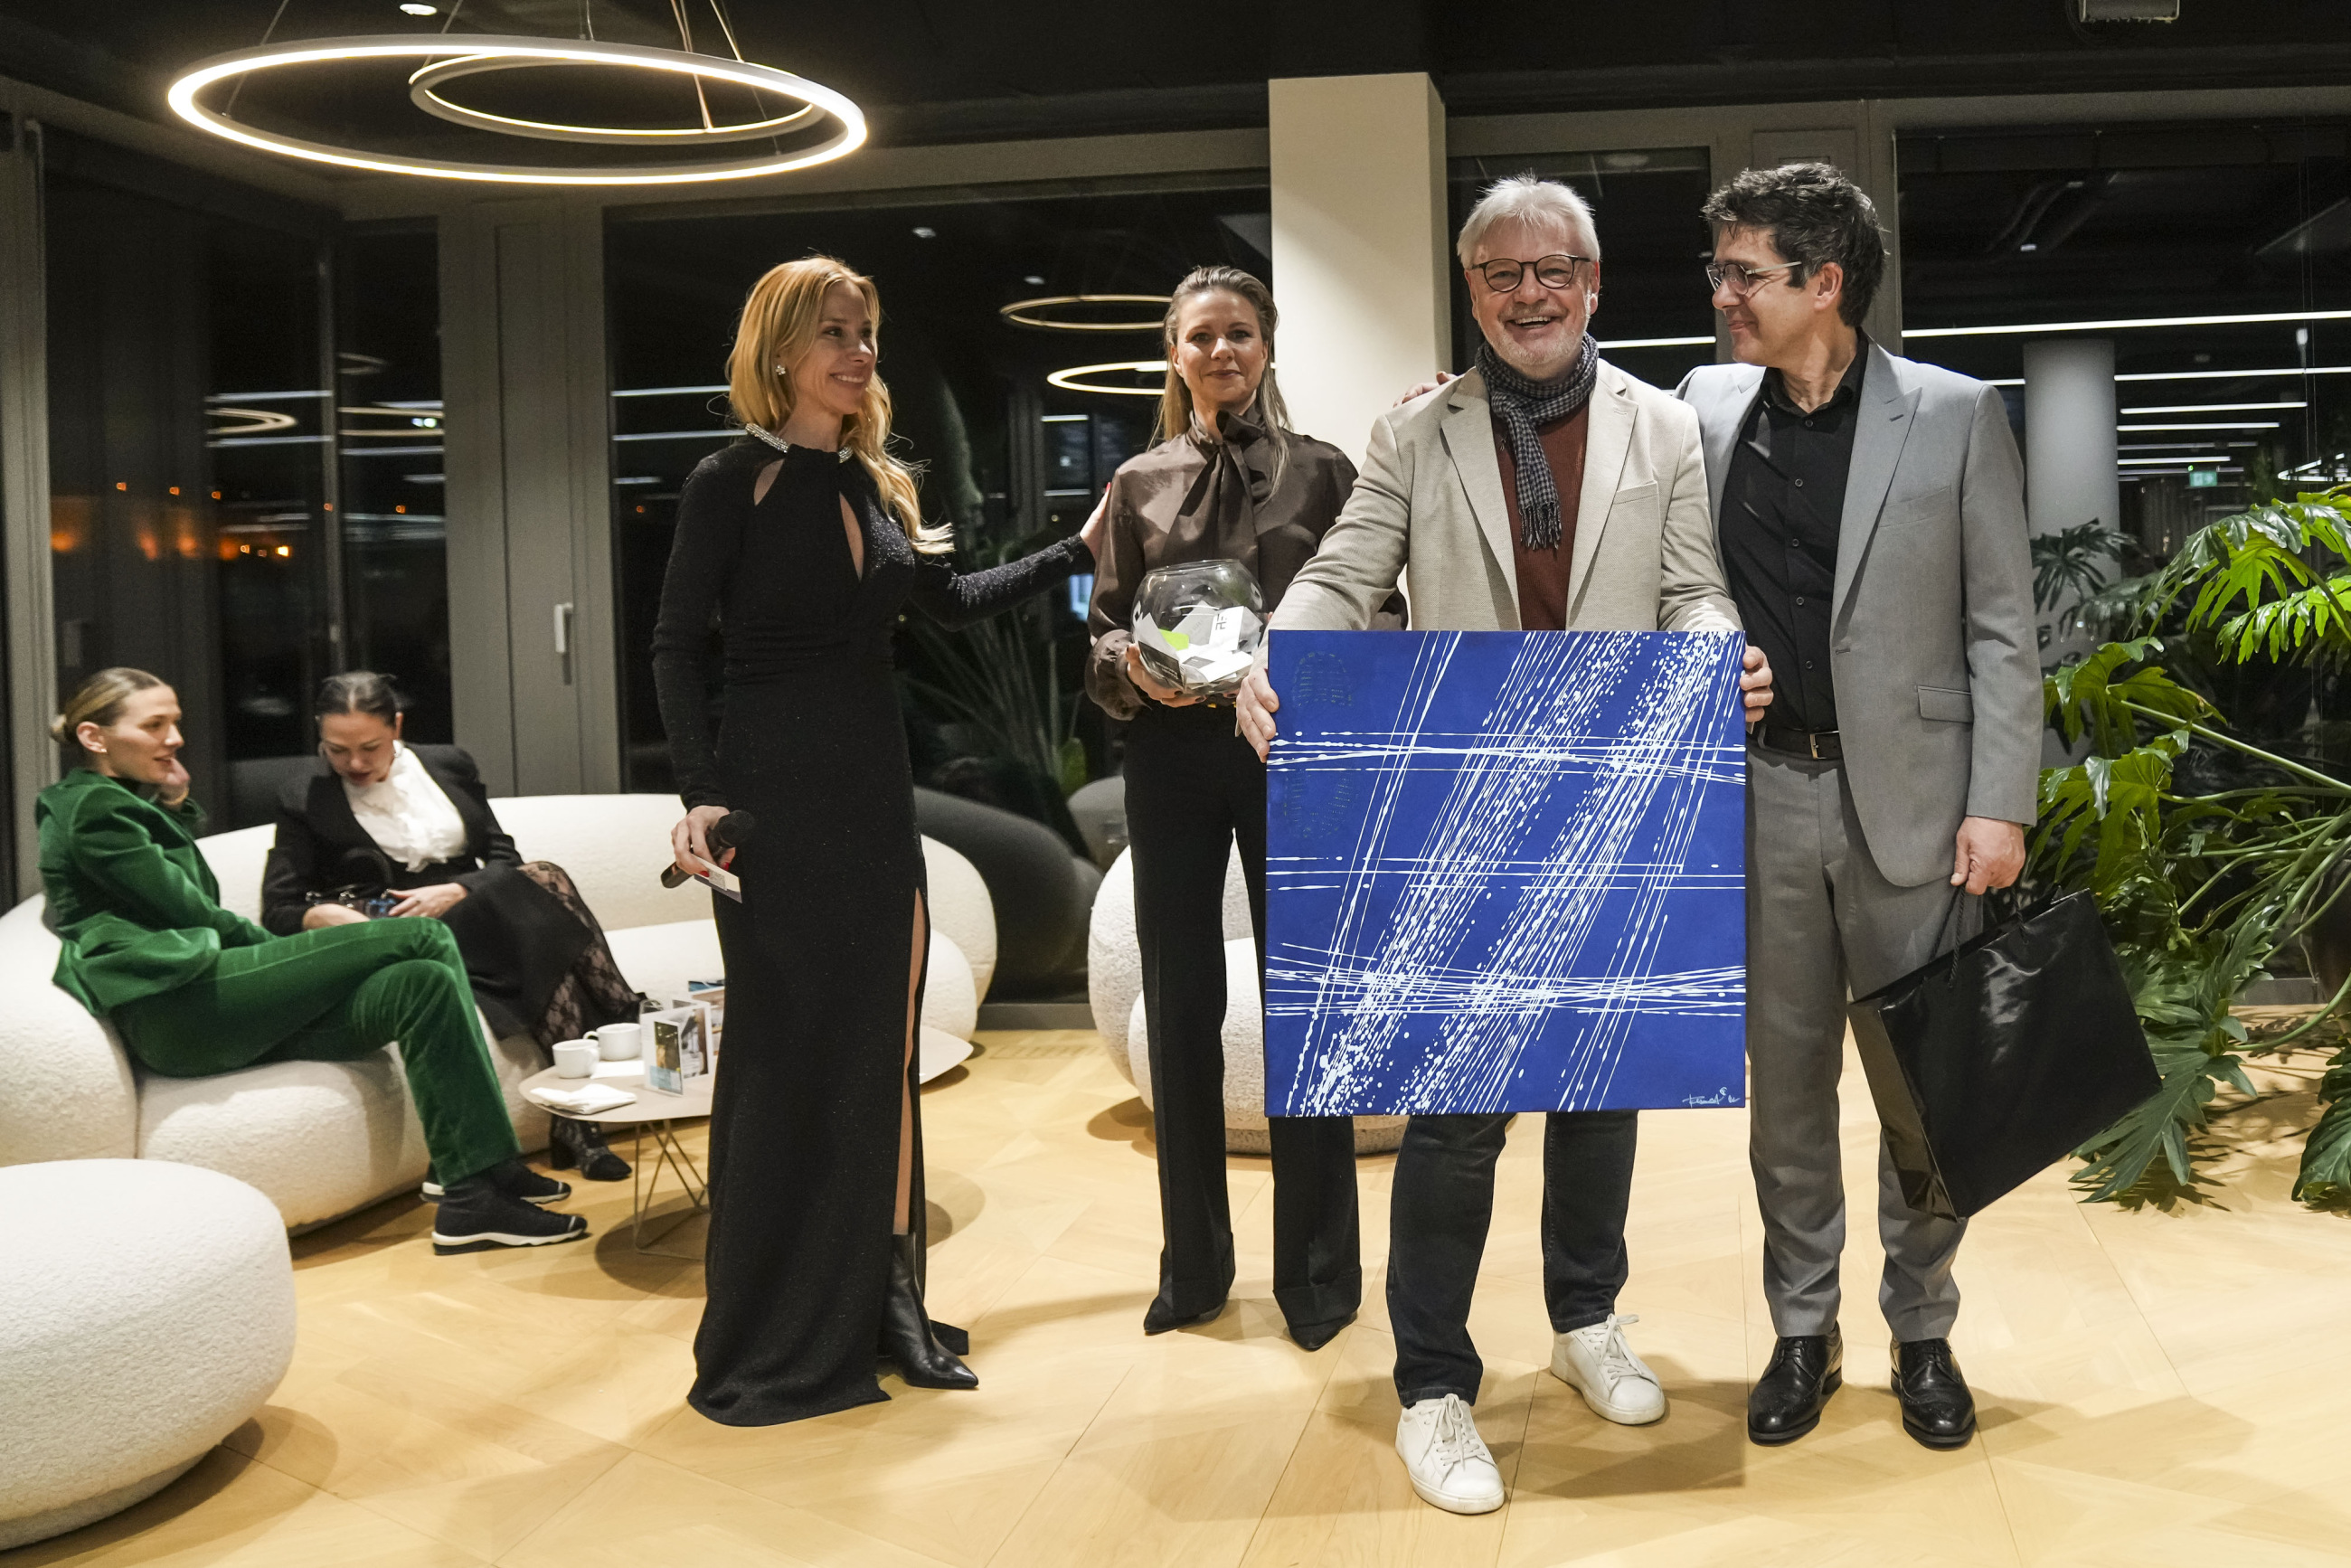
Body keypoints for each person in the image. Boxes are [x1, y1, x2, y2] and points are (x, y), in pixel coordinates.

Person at [1236, 175, 1773, 1516]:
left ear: (1592, 283)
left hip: (1613, 795)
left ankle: (1586, 1318)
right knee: (1458, 1107)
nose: (1529, 294)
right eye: (1501, 274)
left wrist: (1718, 660)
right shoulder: (1416, 430)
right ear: (1471, 291)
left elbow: (1693, 588)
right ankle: (1432, 1383)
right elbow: (1343, 573)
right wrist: (1276, 657)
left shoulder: (1662, 423)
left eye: (1553, 270)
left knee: (1600, 1082)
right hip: (1460, 810)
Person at [654, 255, 1103, 1426]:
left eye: (865, 333)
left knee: (881, 1053)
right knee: (789, 1061)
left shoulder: (872, 482)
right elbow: (675, 648)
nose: (858, 353)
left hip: (871, 796)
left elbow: (948, 605)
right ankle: (778, 1323)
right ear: (779, 350)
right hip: (773, 803)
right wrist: (699, 792)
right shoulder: (729, 482)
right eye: (834, 333)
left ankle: (890, 1298)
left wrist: (1075, 550)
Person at [1676, 162, 2036, 1452]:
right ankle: (1802, 1328)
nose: (1722, 296)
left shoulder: (1953, 412)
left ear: (1823, 282)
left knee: (1920, 1087)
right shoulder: (1704, 406)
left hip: (1919, 809)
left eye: (1744, 275)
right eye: (1720, 272)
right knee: (1786, 1095)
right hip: (1760, 796)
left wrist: (2000, 804)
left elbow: (2001, 628)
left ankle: (1922, 1330)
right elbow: (1601, 457)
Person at [38, 667, 586, 1255]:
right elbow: (196, 913)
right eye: (154, 725)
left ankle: (474, 1188)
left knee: (418, 983)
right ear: (95, 737)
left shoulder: (115, 804)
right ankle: (485, 1165)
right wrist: (281, 953)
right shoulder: (94, 809)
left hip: (206, 999)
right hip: (178, 1005)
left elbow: (174, 894)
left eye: (175, 722)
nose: (175, 737)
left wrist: (171, 800)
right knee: (422, 938)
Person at [1087, 265, 1382, 1351]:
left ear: (1266, 346)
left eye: (1240, 334)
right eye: (1202, 336)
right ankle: (1194, 1269)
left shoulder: (1325, 472)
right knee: (1178, 1005)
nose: (1221, 352)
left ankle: (1318, 1277)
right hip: (1168, 756)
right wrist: (1133, 670)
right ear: (1176, 353)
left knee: (1307, 1005)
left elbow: (1376, 601)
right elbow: (1101, 631)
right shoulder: (1135, 482)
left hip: (1292, 754)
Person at [261, 671, 641, 1184]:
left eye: (370, 748)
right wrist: (328, 916)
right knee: (545, 888)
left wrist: (460, 889)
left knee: (540, 893)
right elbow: (278, 908)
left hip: (476, 906)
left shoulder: (448, 765)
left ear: (396, 726)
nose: (354, 764)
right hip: (406, 926)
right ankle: (622, 1013)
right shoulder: (302, 795)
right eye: (337, 750)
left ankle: (580, 1126)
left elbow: (504, 858)